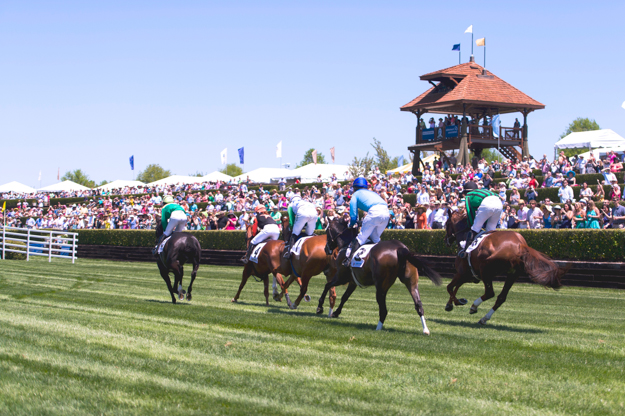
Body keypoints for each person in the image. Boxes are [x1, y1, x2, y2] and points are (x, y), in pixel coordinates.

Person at [343, 177, 390, 266]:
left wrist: (350, 224)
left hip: (374, 212)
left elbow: (353, 217)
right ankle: (380, 261)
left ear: (354, 188)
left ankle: (348, 260)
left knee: (361, 238)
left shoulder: (355, 194)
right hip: (386, 213)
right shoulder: (372, 193)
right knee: (375, 238)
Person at [458, 188, 503, 259]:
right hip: (499, 203)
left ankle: (465, 252)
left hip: (488, 204)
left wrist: (471, 225)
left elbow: (470, 213)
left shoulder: (468, 196)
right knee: (490, 231)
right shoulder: (482, 191)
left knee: (475, 228)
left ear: (464, 194)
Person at [283, 191, 318, 258]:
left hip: (303, 213)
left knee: (294, 233)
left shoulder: (291, 204)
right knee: (309, 233)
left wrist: (293, 228)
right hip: (314, 213)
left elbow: (291, 220)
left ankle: (289, 253)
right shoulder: (306, 201)